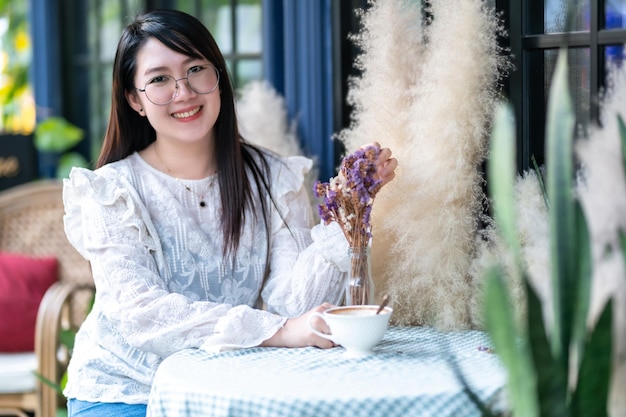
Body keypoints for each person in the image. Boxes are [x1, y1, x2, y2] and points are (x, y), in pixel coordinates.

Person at [62, 8, 398, 417]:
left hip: (232, 389)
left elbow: (293, 306)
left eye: (195, 69)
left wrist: (345, 210)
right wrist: (276, 331)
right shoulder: (111, 191)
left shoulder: (276, 178)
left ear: (218, 78)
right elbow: (141, 313)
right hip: (128, 391)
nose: (183, 92)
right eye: (159, 79)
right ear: (134, 99)